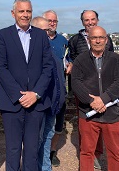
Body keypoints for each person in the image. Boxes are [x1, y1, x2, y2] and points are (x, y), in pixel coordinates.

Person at [0, 0, 53, 171]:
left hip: (36, 102)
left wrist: (35, 94)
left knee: (32, 149)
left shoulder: (41, 35)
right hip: (12, 103)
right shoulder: (3, 35)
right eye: (21, 11)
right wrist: (20, 96)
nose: (25, 15)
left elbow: (48, 67)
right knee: (12, 149)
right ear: (13, 13)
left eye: (28, 11)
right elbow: (1, 68)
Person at [71, 26, 119, 171]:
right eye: (94, 38)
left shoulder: (116, 59)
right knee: (87, 152)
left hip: (111, 113)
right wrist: (92, 101)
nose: (97, 41)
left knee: (114, 153)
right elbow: (76, 83)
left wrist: (103, 99)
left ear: (106, 40)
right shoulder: (80, 60)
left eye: (101, 37)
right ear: (88, 40)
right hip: (88, 113)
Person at [68, 9, 113, 169]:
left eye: (92, 19)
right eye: (86, 20)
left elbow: (111, 61)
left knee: (102, 123)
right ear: (82, 22)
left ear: (97, 20)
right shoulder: (74, 40)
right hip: (83, 89)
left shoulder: (107, 39)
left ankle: (97, 154)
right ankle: (88, 156)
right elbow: (71, 58)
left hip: (102, 89)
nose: (90, 22)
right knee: (85, 125)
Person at [31, 16, 66, 171]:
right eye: (43, 30)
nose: (47, 33)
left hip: (52, 104)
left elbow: (58, 80)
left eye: (48, 30)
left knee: (47, 138)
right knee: (36, 140)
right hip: (38, 106)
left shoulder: (49, 52)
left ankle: (45, 168)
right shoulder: (30, 53)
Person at [42, 10, 70, 167]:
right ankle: (43, 156)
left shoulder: (62, 40)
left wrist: (70, 63)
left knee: (58, 126)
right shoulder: (38, 38)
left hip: (59, 91)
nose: (52, 23)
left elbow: (69, 57)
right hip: (44, 93)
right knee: (44, 128)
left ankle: (52, 152)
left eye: (54, 21)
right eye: (49, 20)